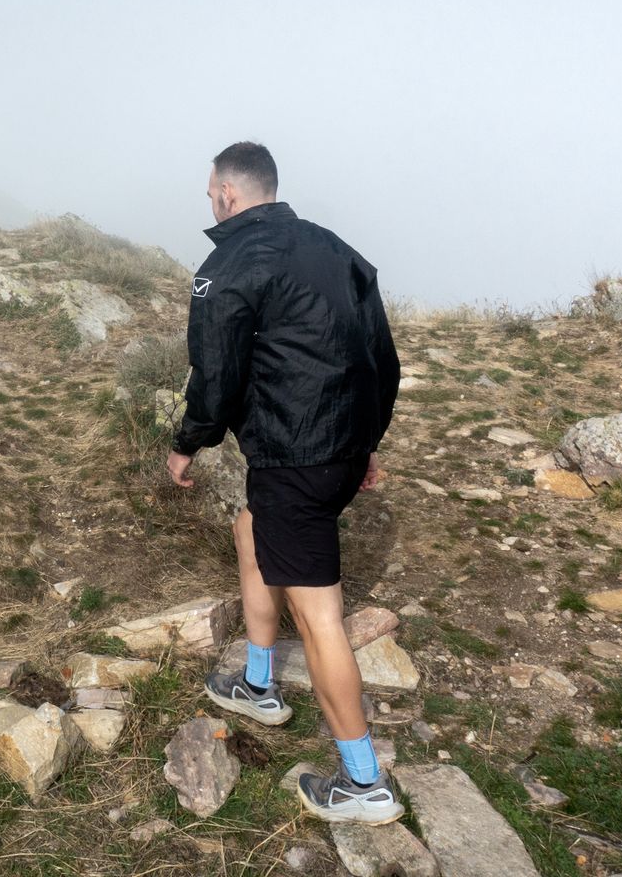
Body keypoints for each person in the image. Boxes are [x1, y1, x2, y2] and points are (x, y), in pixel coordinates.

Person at [167, 141, 403, 826]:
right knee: (251, 530)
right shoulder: (339, 251)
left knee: (320, 616)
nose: (210, 201)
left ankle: (364, 784)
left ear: (229, 195)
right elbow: (380, 360)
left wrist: (189, 444)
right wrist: (365, 445)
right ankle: (259, 683)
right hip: (332, 453)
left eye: (212, 192)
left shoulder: (229, 264)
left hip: (295, 459)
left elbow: (214, 375)